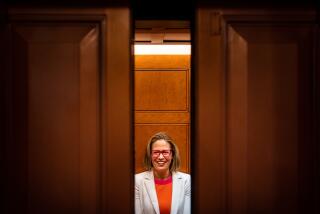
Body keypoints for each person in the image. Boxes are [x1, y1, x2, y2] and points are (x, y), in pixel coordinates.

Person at [135, 132, 191, 214]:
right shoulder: (137, 181)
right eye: (156, 152)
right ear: (150, 155)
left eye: (165, 152)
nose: (160, 157)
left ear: (172, 155)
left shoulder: (186, 180)